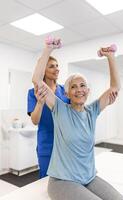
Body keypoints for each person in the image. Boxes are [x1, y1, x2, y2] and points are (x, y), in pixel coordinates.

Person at [32, 38, 123, 200]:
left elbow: (115, 87)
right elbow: (37, 81)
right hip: (62, 181)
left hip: (88, 178)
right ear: (66, 93)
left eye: (82, 86)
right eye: (73, 87)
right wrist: (48, 50)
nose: (79, 90)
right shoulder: (59, 109)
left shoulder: (92, 110)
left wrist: (110, 57)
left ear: (88, 91)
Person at [27, 43, 70, 178]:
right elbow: (35, 121)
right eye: (51, 66)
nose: (56, 69)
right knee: (45, 181)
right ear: (43, 70)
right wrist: (40, 102)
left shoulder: (65, 91)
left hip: (65, 144)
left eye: (57, 66)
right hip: (46, 144)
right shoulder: (32, 92)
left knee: (65, 180)